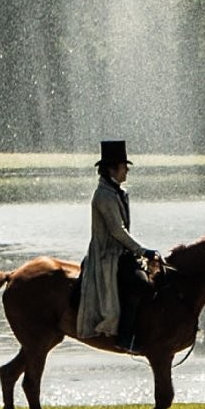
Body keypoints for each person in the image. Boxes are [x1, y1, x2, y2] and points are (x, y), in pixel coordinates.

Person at [77, 139, 150, 350]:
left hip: (121, 252)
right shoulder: (104, 195)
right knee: (139, 284)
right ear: (112, 169)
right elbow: (117, 230)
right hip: (107, 255)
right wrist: (143, 250)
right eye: (123, 166)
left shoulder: (118, 192)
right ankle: (125, 337)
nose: (126, 171)